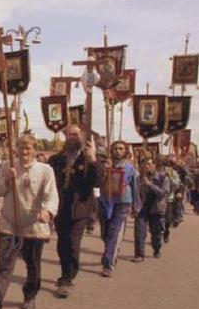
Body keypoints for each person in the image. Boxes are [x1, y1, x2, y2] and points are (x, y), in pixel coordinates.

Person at [0, 134, 59, 309]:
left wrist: (47, 212)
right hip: (9, 224)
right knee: (3, 265)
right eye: (21, 148)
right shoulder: (7, 166)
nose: (24, 152)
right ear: (16, 149)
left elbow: (52, 196)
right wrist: (7, 180)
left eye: (28, 148)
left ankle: (30, 294)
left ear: (35, 150)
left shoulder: (45, 170)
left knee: (33, 265)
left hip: (34, 226)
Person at [48, 125, 102, 298]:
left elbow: (98, 182)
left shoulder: (88, 159)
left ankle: (67, 279)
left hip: (80, 208)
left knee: (73, 243)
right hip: (60, 208)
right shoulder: (56, 159)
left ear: (82, 136)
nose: (72, 137)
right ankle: (65, 272)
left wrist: (92, 159)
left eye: (76, 134)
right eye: (69, 134)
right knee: (62, 244)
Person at [98, 140, 140, 277]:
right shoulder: (105, 165)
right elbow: (97, 183)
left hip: (122, 202)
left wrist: (136, 206)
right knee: (105, 233)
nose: (118, 151)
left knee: (113, 232)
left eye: (121, 148)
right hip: (105, 201)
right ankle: (112, 252)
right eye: (115, 148)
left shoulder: (130, 168)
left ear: (125, 151)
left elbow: (135, 187)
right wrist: (105, 170)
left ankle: (108, 264)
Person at [133, 156, 169, 261]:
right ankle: (139, 254)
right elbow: (134, 193)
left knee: (156, 233)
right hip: (142, 209)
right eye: (144, 164)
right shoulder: (137, 179)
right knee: (139, 232)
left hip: (156, 209)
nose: (147, 167)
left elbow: (164, 193)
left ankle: (156, 248)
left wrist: (150, 185)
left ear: (154, 165)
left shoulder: (163, 178)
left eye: (149, 164)